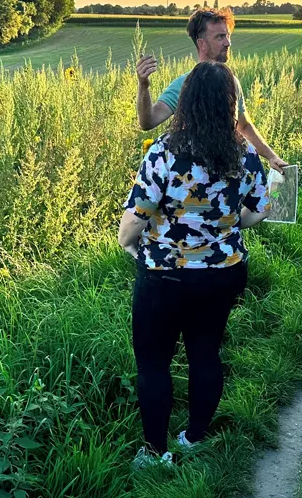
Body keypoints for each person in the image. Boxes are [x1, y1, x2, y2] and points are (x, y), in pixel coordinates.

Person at [118, 61, 272, 468]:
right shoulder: (246, 154)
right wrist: (221, 221)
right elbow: (257, 213)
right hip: (224, 272)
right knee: (206, 353)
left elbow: (136, 216)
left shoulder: (165, 152)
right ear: (230, 104)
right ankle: (194, 437)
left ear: (185, 102)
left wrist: (127, 244)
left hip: (165, 275)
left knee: (153, 363)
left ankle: (154, 453)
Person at [135, 7, 289, 172]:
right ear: (202, 44)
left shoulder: (232, 83)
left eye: (228, 35)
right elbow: (148, 121)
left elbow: (243, 126)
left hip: (226, 177)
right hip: (188, 180)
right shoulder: (185, 84)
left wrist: (271, 157)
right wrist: (143, 85)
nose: (228, 43)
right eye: (220, 37)